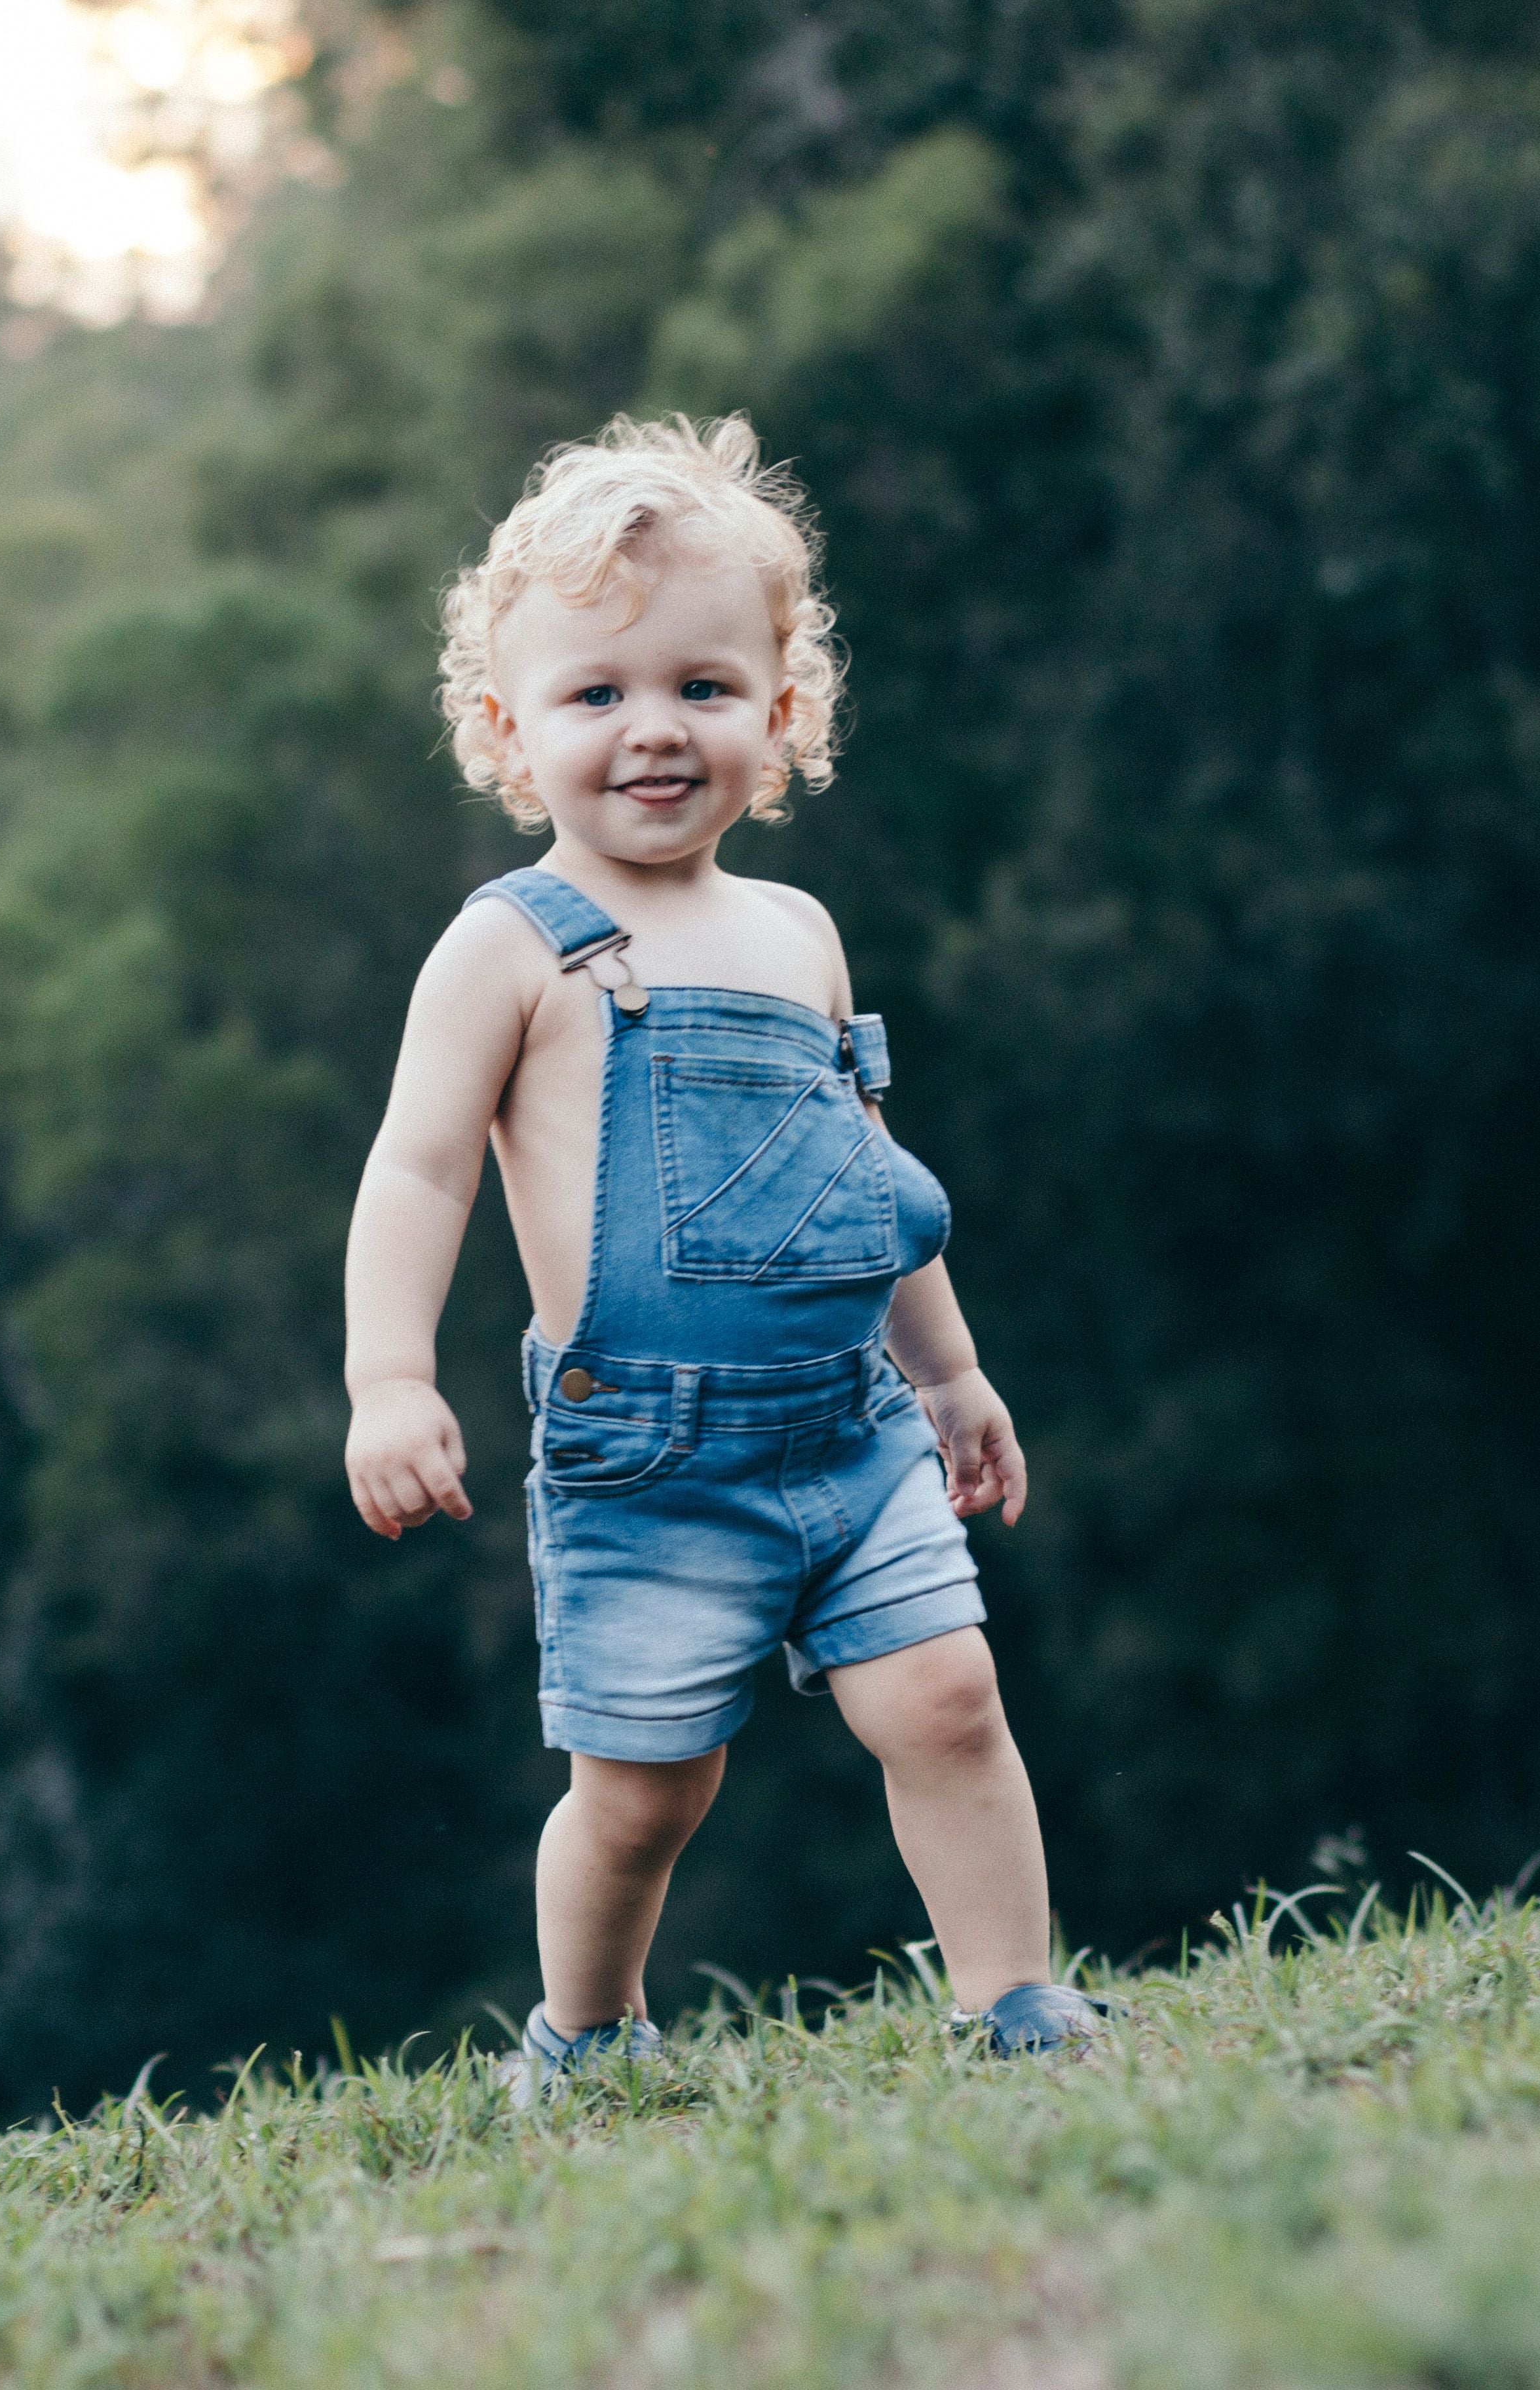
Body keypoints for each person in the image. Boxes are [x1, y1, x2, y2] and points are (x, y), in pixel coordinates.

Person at [342, 413, 1100, 2093]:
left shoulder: (800, 936)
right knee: (644, 1791)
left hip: (849, 1424)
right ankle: (588, 2035)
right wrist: (389, 1379)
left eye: (702, 685)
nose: (654, 731)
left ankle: (1013, 2002)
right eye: (595, 695)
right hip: (646, 1451)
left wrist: (951, 1373)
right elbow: (413, 1173)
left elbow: (858, 1175)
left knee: (951, 1699)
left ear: (783, 709)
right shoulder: (508, 948)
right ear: (506, 729)